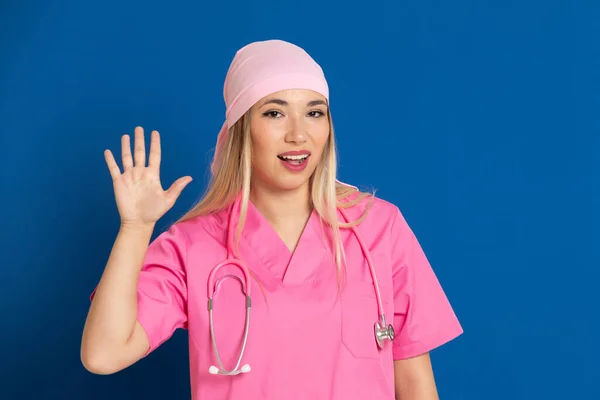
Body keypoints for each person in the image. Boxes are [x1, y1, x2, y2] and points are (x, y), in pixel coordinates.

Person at [80, 39, 463, 399]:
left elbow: (415, 384)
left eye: (314, 113)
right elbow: (103, 355)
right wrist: (135, 228)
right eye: (275, 113)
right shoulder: (192, 246)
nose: (298, 134)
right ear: (241, 129)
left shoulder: (377, 228)